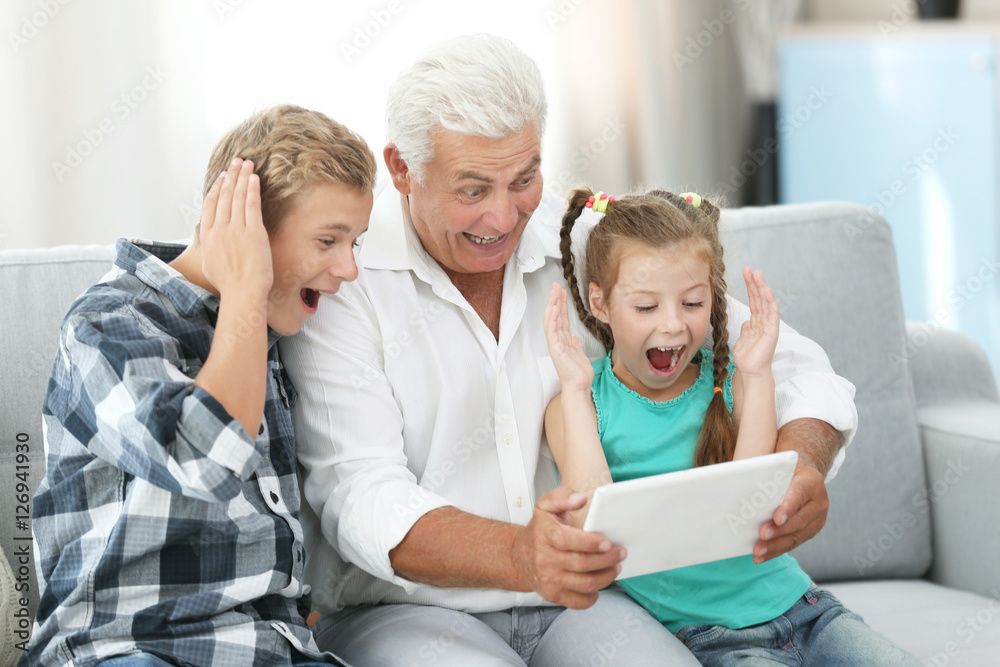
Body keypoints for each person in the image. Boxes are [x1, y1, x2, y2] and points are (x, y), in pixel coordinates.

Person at [281, 35, 858, 665]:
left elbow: (788, 363)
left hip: (584, 605)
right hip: (405, 610)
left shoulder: (586, 243)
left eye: (523, 179)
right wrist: (521, 554)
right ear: (401, 169)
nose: (504, 218)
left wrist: (802, 462)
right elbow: (359, 495)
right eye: (472, 190)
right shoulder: (345, 278)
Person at [23, 105, 376, 667]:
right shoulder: (108, 324)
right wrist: (245, 286)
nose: (348, 270)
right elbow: (206, 460)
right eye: (327, 240)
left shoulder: (270, 334)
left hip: (268, 649)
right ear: (245, 230)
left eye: (354, 242)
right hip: (130, 646)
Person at [543, 186, 919, 665]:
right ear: (600, 303)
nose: (673, 325)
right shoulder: (579, 404)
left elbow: (755, 501)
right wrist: (576, 388)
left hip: (805, 609)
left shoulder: (731, 380)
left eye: (692, 303)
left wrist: (758, 374)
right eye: (646, 307)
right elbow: (591, 522)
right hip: (713, 637)